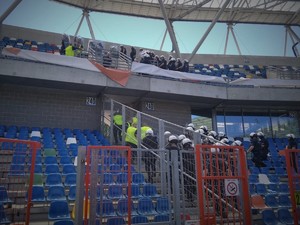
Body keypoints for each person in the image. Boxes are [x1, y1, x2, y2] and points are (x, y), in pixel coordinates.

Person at [182, 138, 196, 203]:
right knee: (193, 182)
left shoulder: (183, 151)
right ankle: (194, 194)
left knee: (187, 184)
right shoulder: (194, 149)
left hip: (185, 169)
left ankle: (189, 197)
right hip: (193, 168)